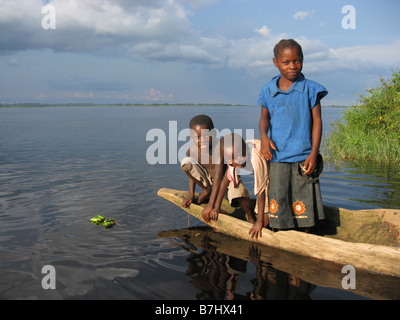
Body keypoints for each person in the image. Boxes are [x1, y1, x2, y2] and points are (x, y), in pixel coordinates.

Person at [258, 39, 327, 230]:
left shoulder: (311, 89)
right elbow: (264, 118)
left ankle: (306, 232)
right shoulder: (269, 90)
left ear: (302, 60)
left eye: (297, 61)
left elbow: (317, 122)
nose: (292, 66)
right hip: (278, 155)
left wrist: (314, 153)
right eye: (286, 62)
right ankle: (280, 230)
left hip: (303, 156)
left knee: (303, 200)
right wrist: (264, 136)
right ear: (276, 63)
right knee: (279, 196)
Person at [181, 115, 252, 223]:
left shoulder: (219, 147)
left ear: (213, 134)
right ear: (191, 137)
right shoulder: (192, 150)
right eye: (197, 137)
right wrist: (191, 194)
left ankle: (250, 217)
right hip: (209, 182)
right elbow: (191, 174)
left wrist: (211, 205)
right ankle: (206, 191)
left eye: (206, 136)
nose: (202, 140)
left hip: (227, 181)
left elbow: (219, 177)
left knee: (239, 192)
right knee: (186, 162)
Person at [211, 133, 270, 239]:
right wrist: (216, 207)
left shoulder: (256, 159)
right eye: (229, 160)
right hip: (262, 173)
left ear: (245, 152)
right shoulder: (233, 158)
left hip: (270, 171)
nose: (235, 162)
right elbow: (225, 181)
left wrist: (259, 221)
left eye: (239, 157)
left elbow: (261, 190)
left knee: (266, 221)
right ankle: (252, 218)